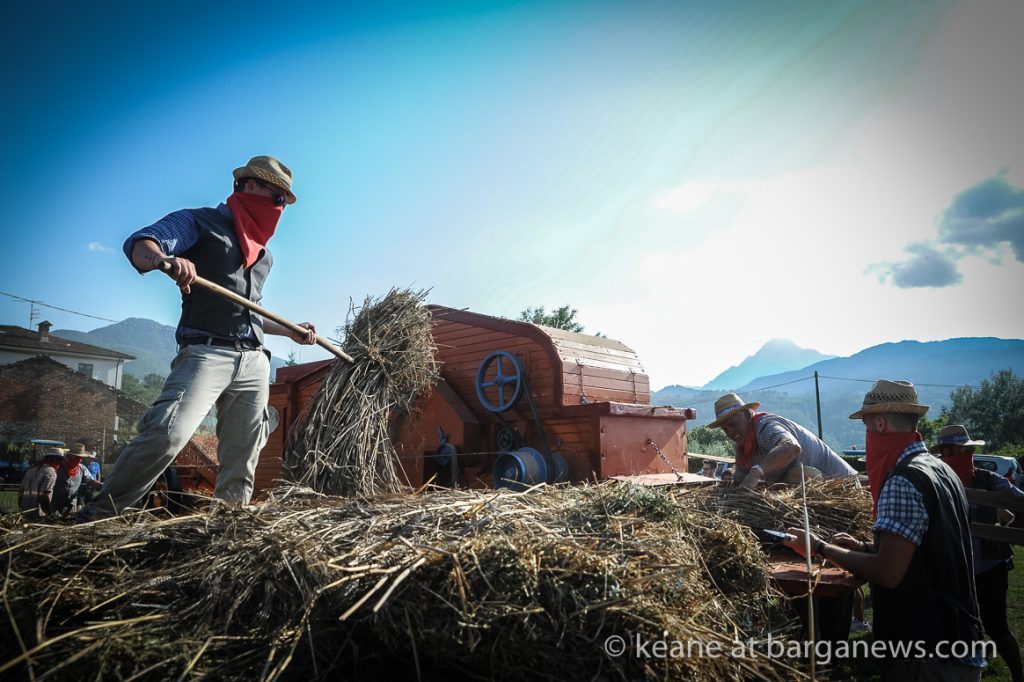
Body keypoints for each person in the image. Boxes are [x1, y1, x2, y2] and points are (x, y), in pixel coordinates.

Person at [78, 156, 317, 522]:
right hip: (206, 353)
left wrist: (291, 331)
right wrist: (166, 260)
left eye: (283, 201)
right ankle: (96, 516)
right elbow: (140, 246)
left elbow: (249, 311)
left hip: (254, 360)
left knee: (244, 450)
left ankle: (227, 525)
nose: (278, 208)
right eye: (277, 197)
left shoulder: (264, 256)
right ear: (251, 186)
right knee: (168, 434)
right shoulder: (199, 222)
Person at [785, 379, 985, 681]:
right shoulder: (940, 469)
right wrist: (865, 548)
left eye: (866, 427)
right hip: (957, 636)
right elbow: (921, 549)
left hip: (926, 651)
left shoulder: (903, 480)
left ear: (879, 424)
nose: (866, 437)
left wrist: (819, 548)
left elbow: (889, 573)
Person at [932, 424, 1024, 682]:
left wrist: (1004, 534)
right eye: (950, 451)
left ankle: (1018, 674)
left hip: (989, 565)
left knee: (997, 626)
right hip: (954, 566)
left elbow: (1020, 504)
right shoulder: (936, 481)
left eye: (963, 450)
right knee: (956, 625)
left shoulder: (989, 480)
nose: (958, 455)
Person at [709, 393, 857, 489]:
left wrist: (757, 471)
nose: (730, 432)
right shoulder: (743, 447)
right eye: (725, 429)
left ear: (747, 415)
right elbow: (740, 481)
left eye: (733, 424)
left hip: (844, 487)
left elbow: (791, 448)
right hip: (815, 492)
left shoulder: (765, 427)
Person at [52, 443, 101, 515]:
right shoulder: (58, 467)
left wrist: (101, 485)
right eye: (77, 457)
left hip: (71, 505)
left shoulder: (82, 468)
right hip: (56, 504)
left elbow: (90, 480)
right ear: (69, 456)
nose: (80, 460)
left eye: (81, 458)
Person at [18, 448, 63, 520]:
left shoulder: (30, 470)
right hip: (38, 514)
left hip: (25, 511)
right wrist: (50, 514)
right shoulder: (51, 472)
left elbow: (20, 492)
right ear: (54, 459)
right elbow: (44, 495)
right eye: (60, 460)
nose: (61, 463)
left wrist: (21, 507)